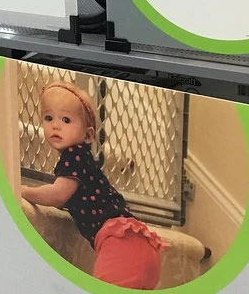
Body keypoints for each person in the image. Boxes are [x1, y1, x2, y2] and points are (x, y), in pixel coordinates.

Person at [21, 81, 166, 289]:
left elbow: (58, 194)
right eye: (48, 117)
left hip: (121, 244)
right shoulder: (84, 162)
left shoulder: (74, 156)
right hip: (143, 246)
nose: (55, 125)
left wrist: (24, 191)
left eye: (66, 119)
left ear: (88, 135)